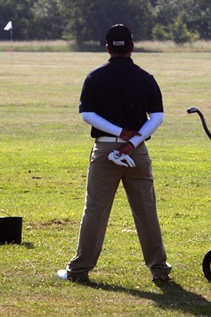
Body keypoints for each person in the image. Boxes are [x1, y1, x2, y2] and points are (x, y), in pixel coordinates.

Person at [58, 24, 172, 282]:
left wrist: (120, 133)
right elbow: (157, 117)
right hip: (138, 151)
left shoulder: (95, 77)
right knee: (146, 211)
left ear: (108, 47)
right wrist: (133, 141)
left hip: (106, 150)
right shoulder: (146, 78)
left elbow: (87, 115)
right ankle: (159, 270)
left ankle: (79, 271)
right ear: (132, 46)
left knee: (95, 211)